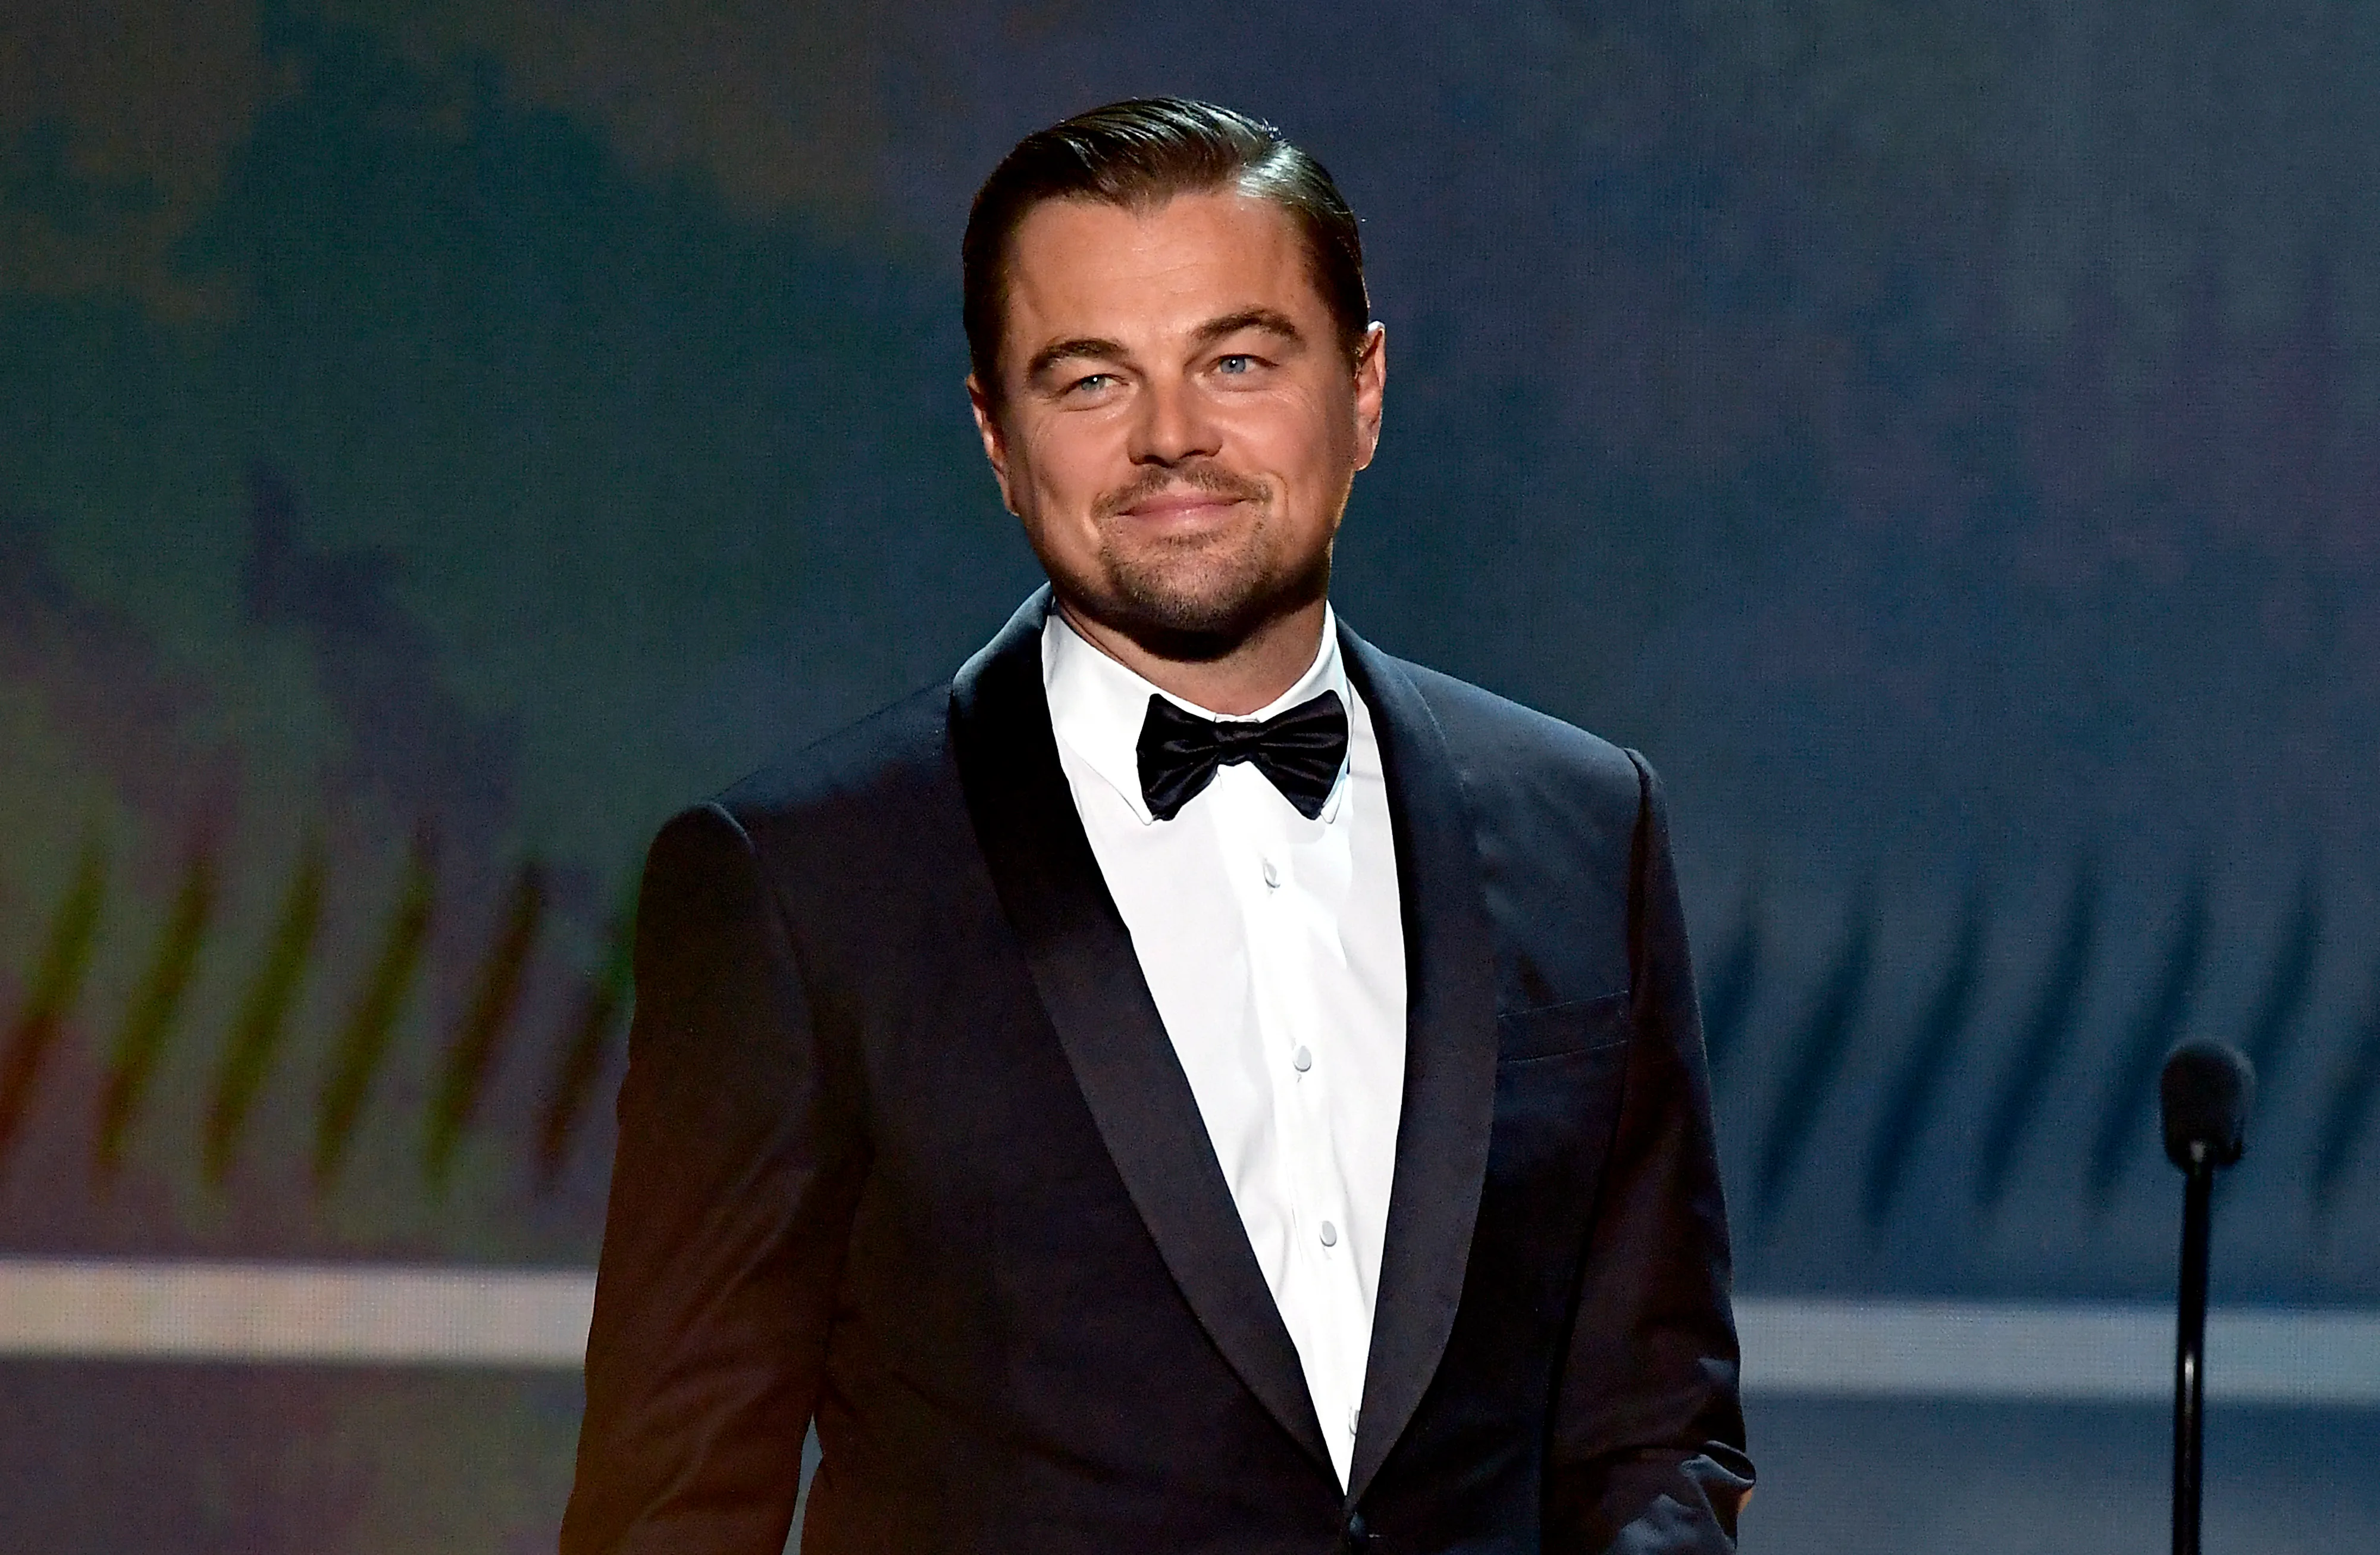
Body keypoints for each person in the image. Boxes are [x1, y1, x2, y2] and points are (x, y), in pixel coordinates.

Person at [561, 98, 1753, 1554]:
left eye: (1237, 361)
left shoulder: (1586, 825)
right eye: (1089, 381)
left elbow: (1654, 1431)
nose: (1171, 438)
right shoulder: (795, 888)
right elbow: (672, 1507)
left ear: (1364, 391)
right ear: (997, 435)